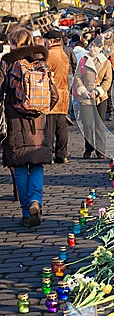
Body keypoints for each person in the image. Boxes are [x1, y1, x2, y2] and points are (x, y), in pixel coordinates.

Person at [0, 29, 55, 227]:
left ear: (15, 44)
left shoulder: (8, 63)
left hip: (15, 122)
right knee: (37, 164)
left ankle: (26, 213)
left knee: (21, 166)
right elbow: (54, 95)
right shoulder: (41, 62)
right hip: (39, 123)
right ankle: (35, 201)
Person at [73, 36, 112, 159]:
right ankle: (88, 148)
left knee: (99, 125)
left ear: (100, 48)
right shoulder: (84, 60)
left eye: (95, 46)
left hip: (100, 97)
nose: (92, 49)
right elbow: (78, 76)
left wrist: (98, 90)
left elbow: (108, 80)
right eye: (91, 46)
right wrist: (83, 90)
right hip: (86, 97)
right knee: (87, 124)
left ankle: (100, 150)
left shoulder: (105, 62)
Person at [43, 30, 70, 163]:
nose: (45, 43)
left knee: (49, 127)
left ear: (51, 41)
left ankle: (48, 155)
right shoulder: (64, 54)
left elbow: (44, 74)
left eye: (46, 41)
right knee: (61, 127)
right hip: (64, 94)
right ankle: (62, 154)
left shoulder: (50, 54)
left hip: (53, 94)